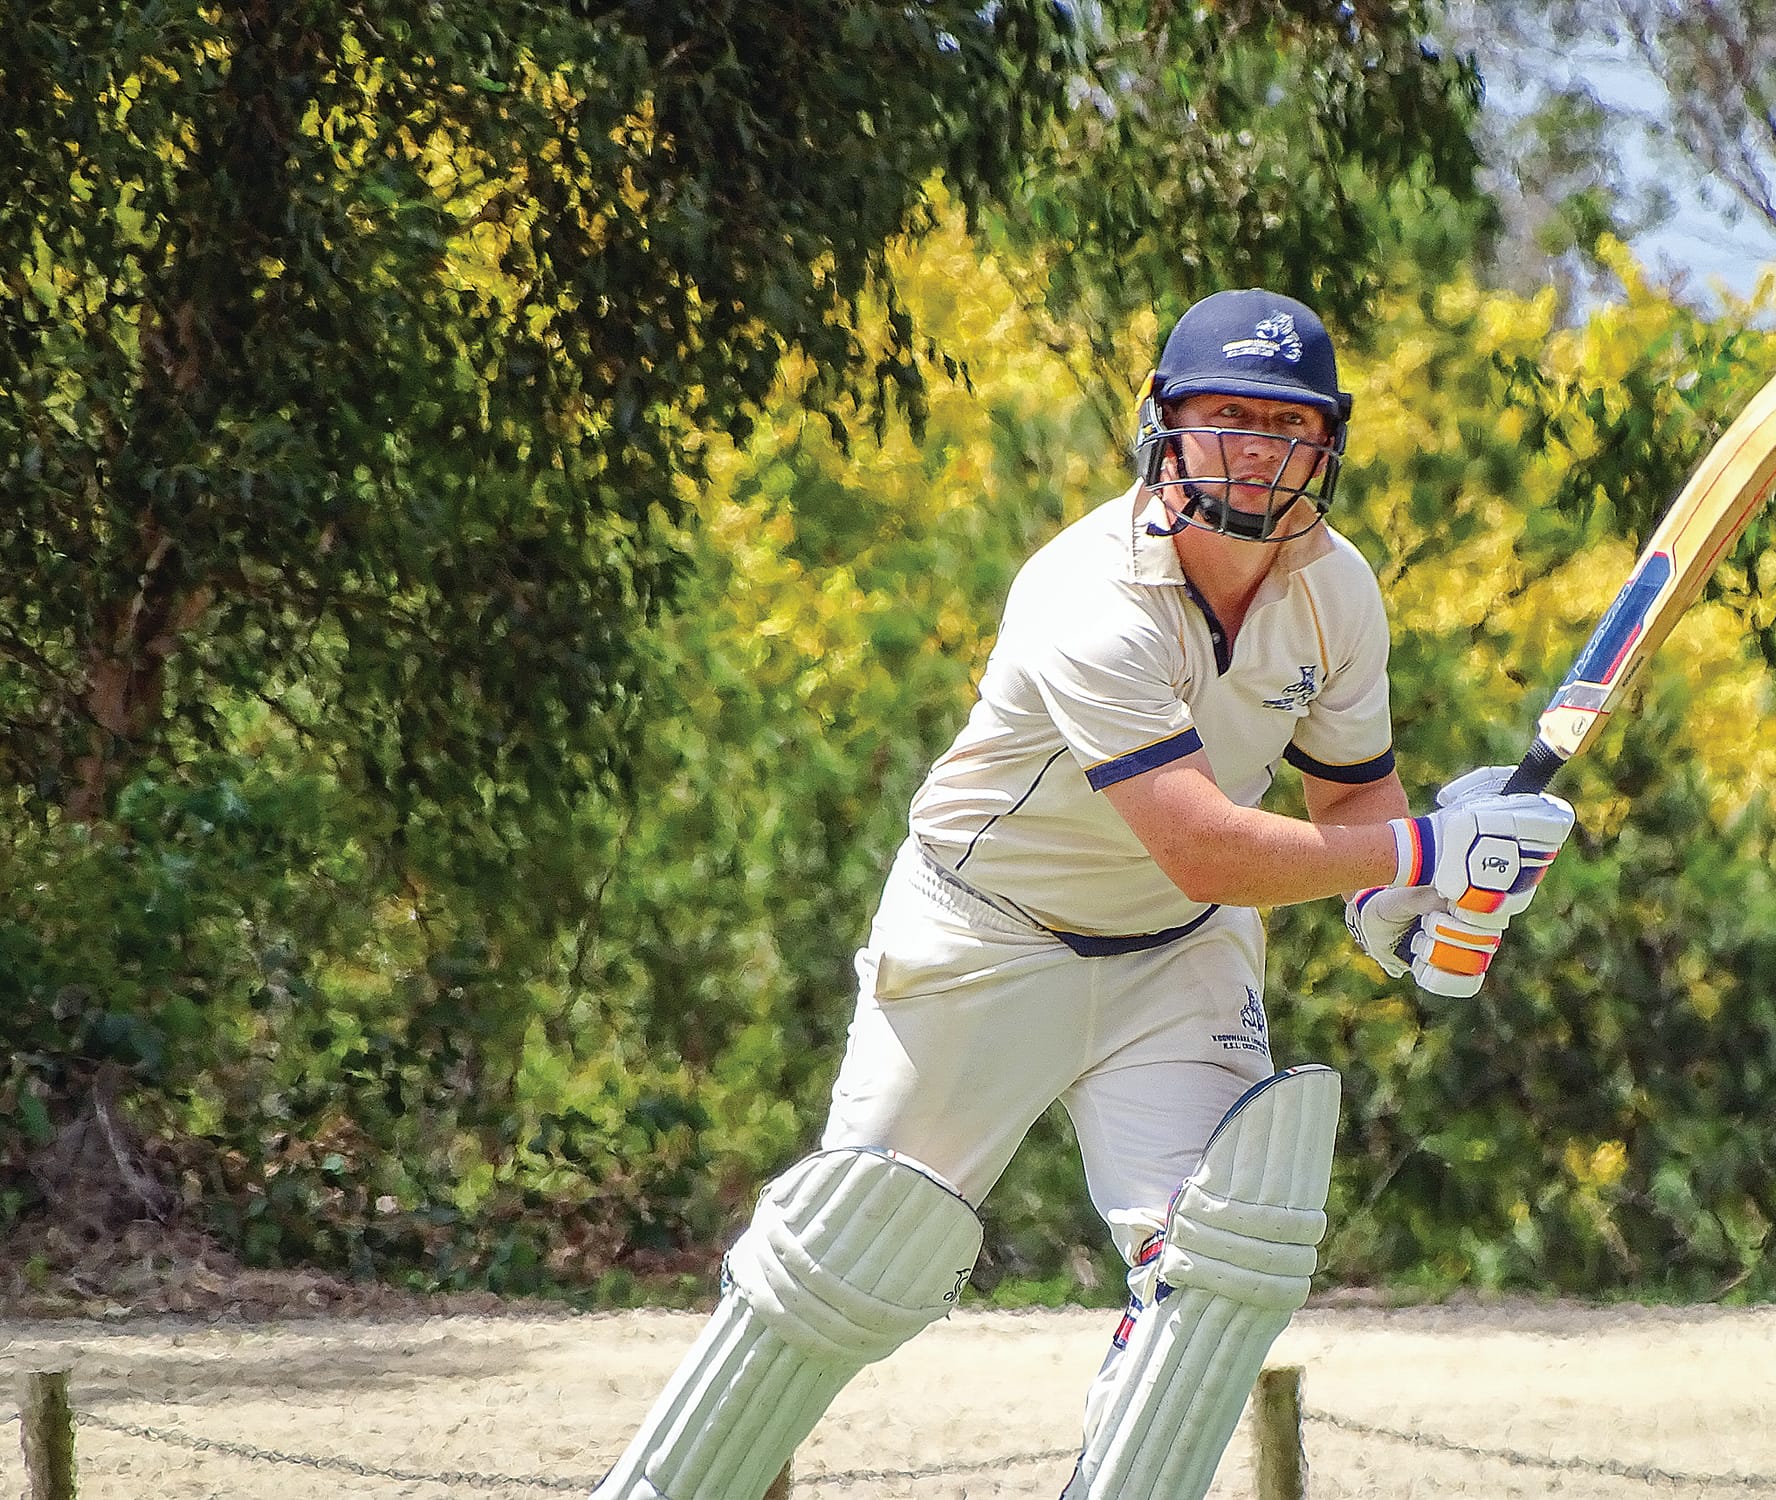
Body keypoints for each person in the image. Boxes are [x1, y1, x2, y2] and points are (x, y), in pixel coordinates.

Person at [591, 289, 1574, 1500]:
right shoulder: (1085, 593)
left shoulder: (1337, 591)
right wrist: (1428, 853)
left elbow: (1348, 819)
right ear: (1163, 426)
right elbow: (1206, 845)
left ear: (1326, 443)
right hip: (982, 935)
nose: (1257, 451)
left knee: (1221, 1265)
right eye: (1226, 417)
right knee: (841, 1267)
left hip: (1179, 956)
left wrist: (1419, 902)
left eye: (1287, 424)